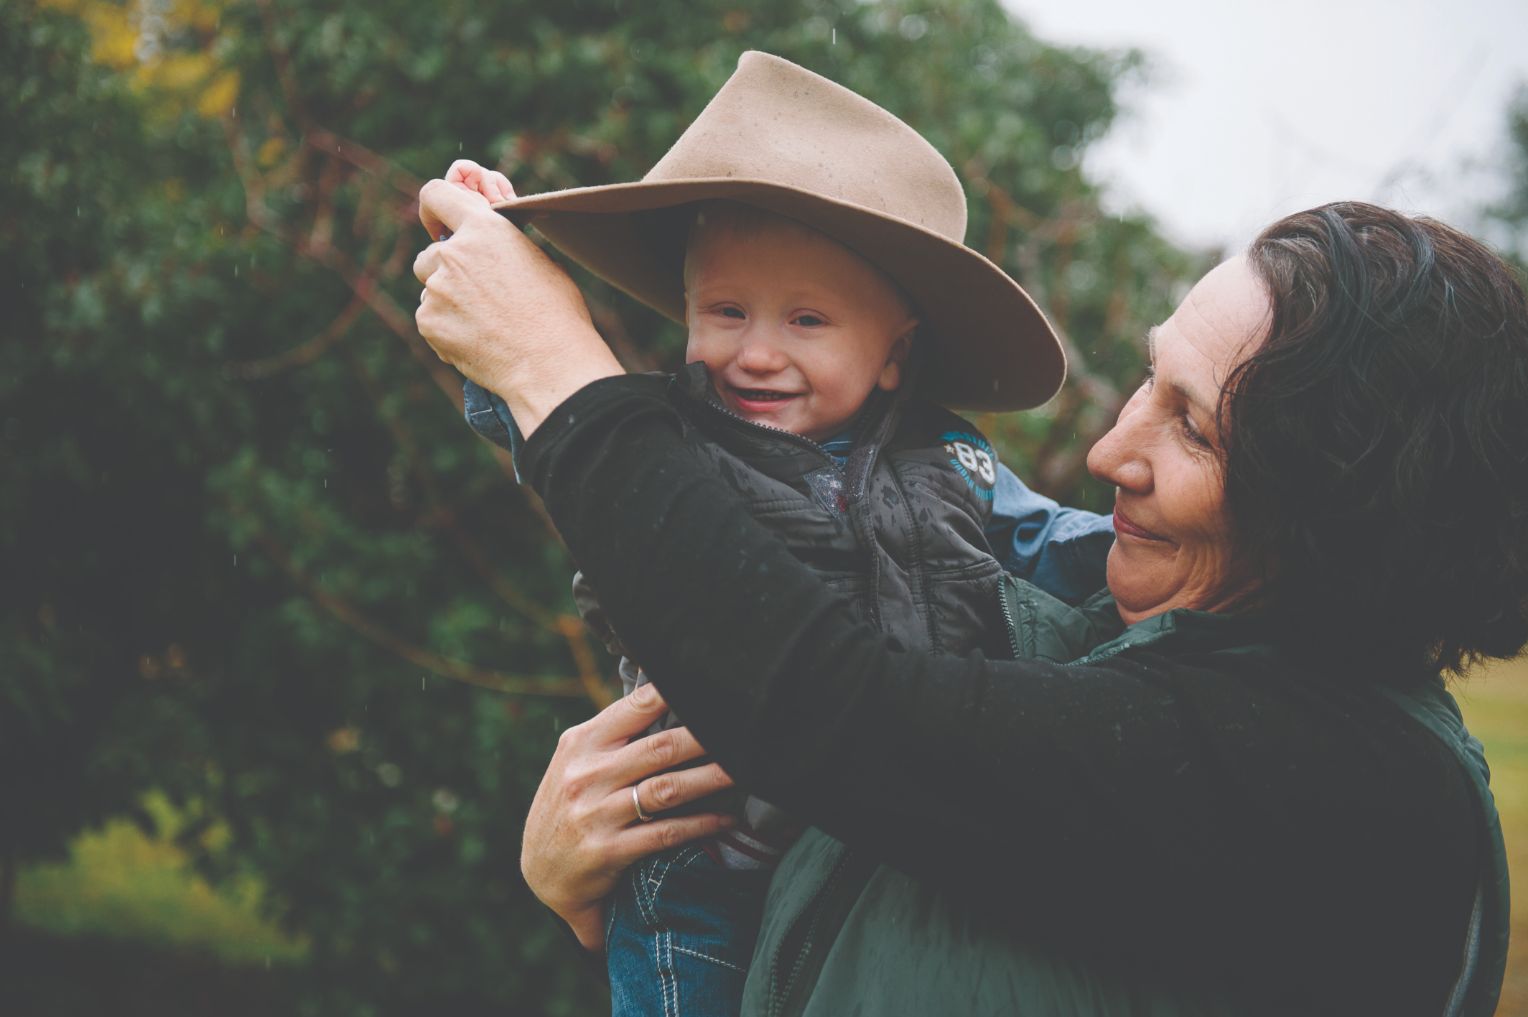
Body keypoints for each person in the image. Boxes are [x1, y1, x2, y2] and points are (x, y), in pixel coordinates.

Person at [415, 147, 1526, 1015]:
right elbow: (865, 834)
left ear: (1333, 511)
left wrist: (556, 374)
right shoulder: (1100, 641)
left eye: (1189, 425)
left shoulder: (1346, 789)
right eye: (1148, 378)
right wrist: (604, 862)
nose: (1108, 452)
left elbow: (842, 715)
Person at [437, 53, 1092, 1017]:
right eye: (726, 310)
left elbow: (1048, 542)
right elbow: (535, 407)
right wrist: (501, 255)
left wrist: (1131, 546)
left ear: (894, 357)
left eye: (808, 319)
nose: (756, 352)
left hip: (872, 834)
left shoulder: (947, 465)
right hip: (688, 836)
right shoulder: (665, 437)